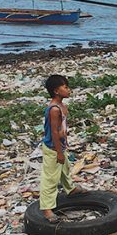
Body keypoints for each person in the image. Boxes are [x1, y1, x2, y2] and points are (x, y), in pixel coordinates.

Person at [39, 74, 83, 222]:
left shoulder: (62, 106)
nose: (68, 89)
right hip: (53, 147)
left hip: (60, 145)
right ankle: (46, 209)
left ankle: (70, 189)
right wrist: (58, 152)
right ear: (56, 91)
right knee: (51, 178)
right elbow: (54, 132)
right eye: (65, 87)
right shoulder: (54, 110)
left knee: (65, 168)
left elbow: (62, 128)